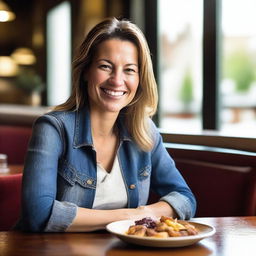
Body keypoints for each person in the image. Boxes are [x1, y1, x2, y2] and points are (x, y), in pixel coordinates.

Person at [18, 17, 196, 232]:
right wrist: (132, 216)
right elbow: (38, 214)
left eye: (129, 70)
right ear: (85, 71)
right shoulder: (53, 128)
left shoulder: (145, 131)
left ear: (140, 79)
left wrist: (146, 214)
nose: (117, 80)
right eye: (105, 66)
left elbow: (185, 198)